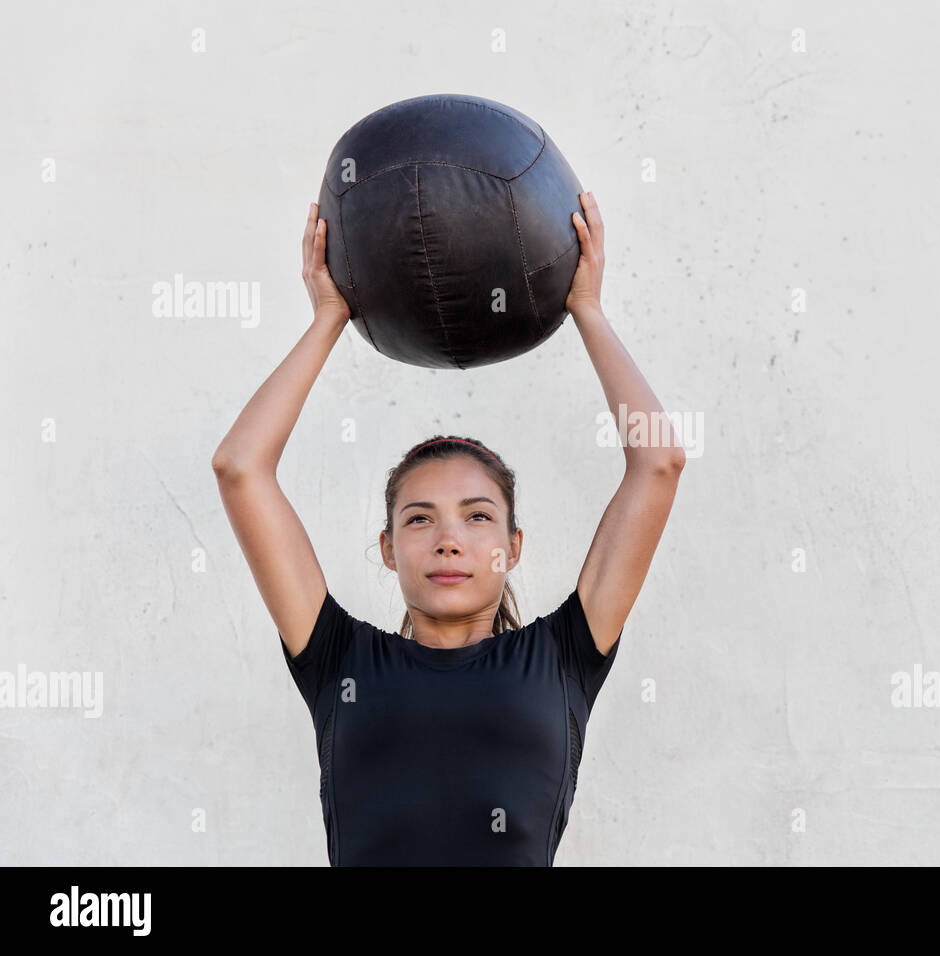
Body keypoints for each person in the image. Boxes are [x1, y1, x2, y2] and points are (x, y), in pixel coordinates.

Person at [211, 192, 685, 865]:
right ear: (387, 548)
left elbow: (659, 462)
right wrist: (329, 319)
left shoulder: (562, 659)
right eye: (419, 519)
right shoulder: (337, 661)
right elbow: (239, 468)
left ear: (512, 549)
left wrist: (587, 309)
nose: (449, 539)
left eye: (478, 516)